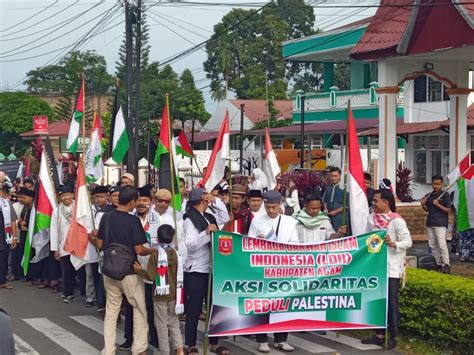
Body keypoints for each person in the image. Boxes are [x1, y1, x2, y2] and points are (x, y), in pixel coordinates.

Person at [91, 186, 156, 355]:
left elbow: (99, 244)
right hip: (129, 272)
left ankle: (109, 349)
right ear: (132, 201)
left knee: (112, 311)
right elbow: (140, 250)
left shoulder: (106, 216)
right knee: (139, 309)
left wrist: (92, 236)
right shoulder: (133, 221)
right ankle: (139, 348)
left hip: (109, 269)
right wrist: (153, 250)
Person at [361, 189, 412, 350]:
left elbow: (408, 241)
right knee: (377, 301)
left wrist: (394, 244)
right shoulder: (371, 218)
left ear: (386, 202)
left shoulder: (396, 221)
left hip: (391, 268)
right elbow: (367, 238)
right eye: (373, 200)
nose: (373, 203)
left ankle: (394, 336)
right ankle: (379, 335)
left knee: (391, 303)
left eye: (376, 201)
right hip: (376, 267)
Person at [248, 190, 297, 353]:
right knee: (262, 305)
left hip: (283, 270)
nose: (270, 210)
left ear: (280, 205)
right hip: (263, 271)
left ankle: (281, 339)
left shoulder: (290, 222)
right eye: (268, 207)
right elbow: (250, 244)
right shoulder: (257, 221)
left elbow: (295, 244)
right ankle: (262, 339)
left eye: (274, 207)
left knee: (282, 305)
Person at [183, 188, 229, 355]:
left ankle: (214, 342)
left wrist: (216, 201)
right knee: (194, 309)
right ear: (203, 201)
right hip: (196, 269)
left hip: (211, 268)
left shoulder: (209, 216)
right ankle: (190, 344)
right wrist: (206, 233)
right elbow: (189, 244)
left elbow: (224, 217)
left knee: (213, 308)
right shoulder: (190, 219)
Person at [134, 224, 185, 355]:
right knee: (173, 322)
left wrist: (140, 271)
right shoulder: (176, 253)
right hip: (175, 294)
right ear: (172, 238)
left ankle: (165, 351)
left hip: (160, 295)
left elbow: (151, 276)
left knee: (161, 324)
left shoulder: (156, 255)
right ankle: (179, 349)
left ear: (157, 238)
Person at [121, 186, 160, 351]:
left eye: (145, 200)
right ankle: (129, 339)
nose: (142, 204)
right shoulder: (129, 218)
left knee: (151, 307)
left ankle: (154, 340)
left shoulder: (158, 219)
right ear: (134, 202)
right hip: (133, 268)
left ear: (151, 202)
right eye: (139, 201)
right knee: (131, 305)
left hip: (151, 269)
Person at [50, 185, 82, 303]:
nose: (65, 198)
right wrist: (55, 249)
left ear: (72, 195)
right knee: (66, 271)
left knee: (80, 270)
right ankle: (68, 293)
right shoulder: (57, 211)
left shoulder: (79, 208)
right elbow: (54, 230)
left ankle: (85, 294)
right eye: (63, 196)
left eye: (67, 195)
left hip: (78, 244)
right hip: (63, 245)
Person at [420, 175, 451, 273]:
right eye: (434, 184)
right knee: (432, 245)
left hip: (440, 223)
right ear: (432, 184)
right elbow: (427, 210)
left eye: (438, 184)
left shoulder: (445, 195)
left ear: (441, 184)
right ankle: (436, 263)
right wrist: (423, 204)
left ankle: (446, 264)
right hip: (430, 222)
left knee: (442, 244)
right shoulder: (429, 195)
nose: (436, 186)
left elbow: (448, 210)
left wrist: (438, 204)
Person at [322, 167, 350, 234]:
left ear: (340, 176)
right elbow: (324, 200)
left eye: (335, 176)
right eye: (332, 176)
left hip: (341, 217)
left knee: (340, 235)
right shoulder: (328, 187)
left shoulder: (345, 188)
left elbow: (347, 205)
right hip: (329, 217)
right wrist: (325, 209)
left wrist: (336, 212)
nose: (333, 178)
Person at [0, 185, 17, 290]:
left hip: (3, 237)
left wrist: (14, 237)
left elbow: (13, 221)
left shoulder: (7, 205)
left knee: (3, 261)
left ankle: (2, 282)